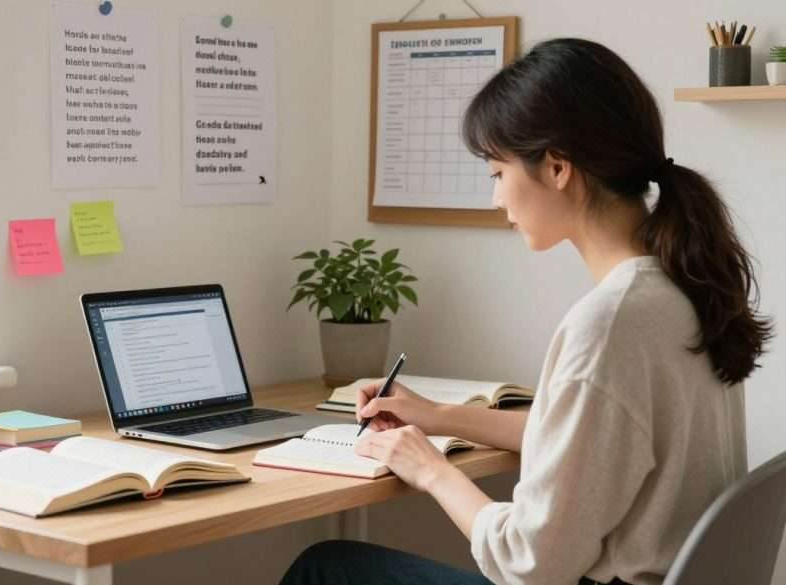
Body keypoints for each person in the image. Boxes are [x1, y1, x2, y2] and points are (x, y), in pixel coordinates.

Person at [280, 38, 773, 585]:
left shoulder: (611, 324)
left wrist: (432, 470)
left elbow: (530, 564)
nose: (496, 199)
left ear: (558, 167)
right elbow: (588, 442)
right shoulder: (681, 286)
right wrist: (435, 416)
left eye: (496, 173)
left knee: (326, 569)